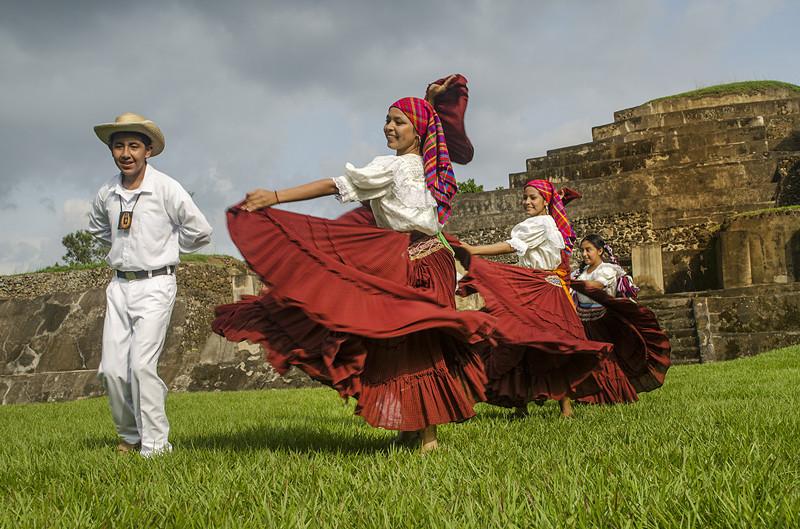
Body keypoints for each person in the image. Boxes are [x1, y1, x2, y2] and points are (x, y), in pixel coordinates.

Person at [212, 97, 494, 452]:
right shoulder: (427, 166)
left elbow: (336, 185)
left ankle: (427, 438)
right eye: (388, 120)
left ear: (418, 131)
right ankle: (413, 428)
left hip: (419, 260)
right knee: (407, 338)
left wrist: (276, 196)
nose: (389, 127)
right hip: (429, 257)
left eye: (398, 122)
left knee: (415, 341)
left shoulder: (395, 168)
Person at [88, 112, 213, 456]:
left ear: (149, 151)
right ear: (111, 151)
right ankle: (129, 436)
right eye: (118, 146)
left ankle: (156, 446)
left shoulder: (166, 188)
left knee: (142, 366)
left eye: (133, 146)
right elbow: (99, 229)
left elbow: (200, 231)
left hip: (157, 284)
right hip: (118, 286)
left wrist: (168, 249)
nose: (125, 153)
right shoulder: (107, 193)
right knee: (112, 371)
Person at [457, 180, 612, 417]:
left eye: (533, 198)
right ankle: (546, 406)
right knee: (546, 343)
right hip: (545, 288)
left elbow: (513, 246)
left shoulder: (540, 223)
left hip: (542, 289)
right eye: (525, 198)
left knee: (525, 339)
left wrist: (473, 250)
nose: (527, 202)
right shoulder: (548, 224)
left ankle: (532, 405)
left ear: (545, 201)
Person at [570, 234, 671, 403]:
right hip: (584, 322)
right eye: (582, 251)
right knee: (588, 359)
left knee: (606, 360)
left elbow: (596, 286)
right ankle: (592, 397)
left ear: (600, 251)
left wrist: (571, 283)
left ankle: (615, 395)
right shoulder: (579, 273)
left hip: (604, 321)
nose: (584, 254)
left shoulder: (607, 270)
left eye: (589, 250)